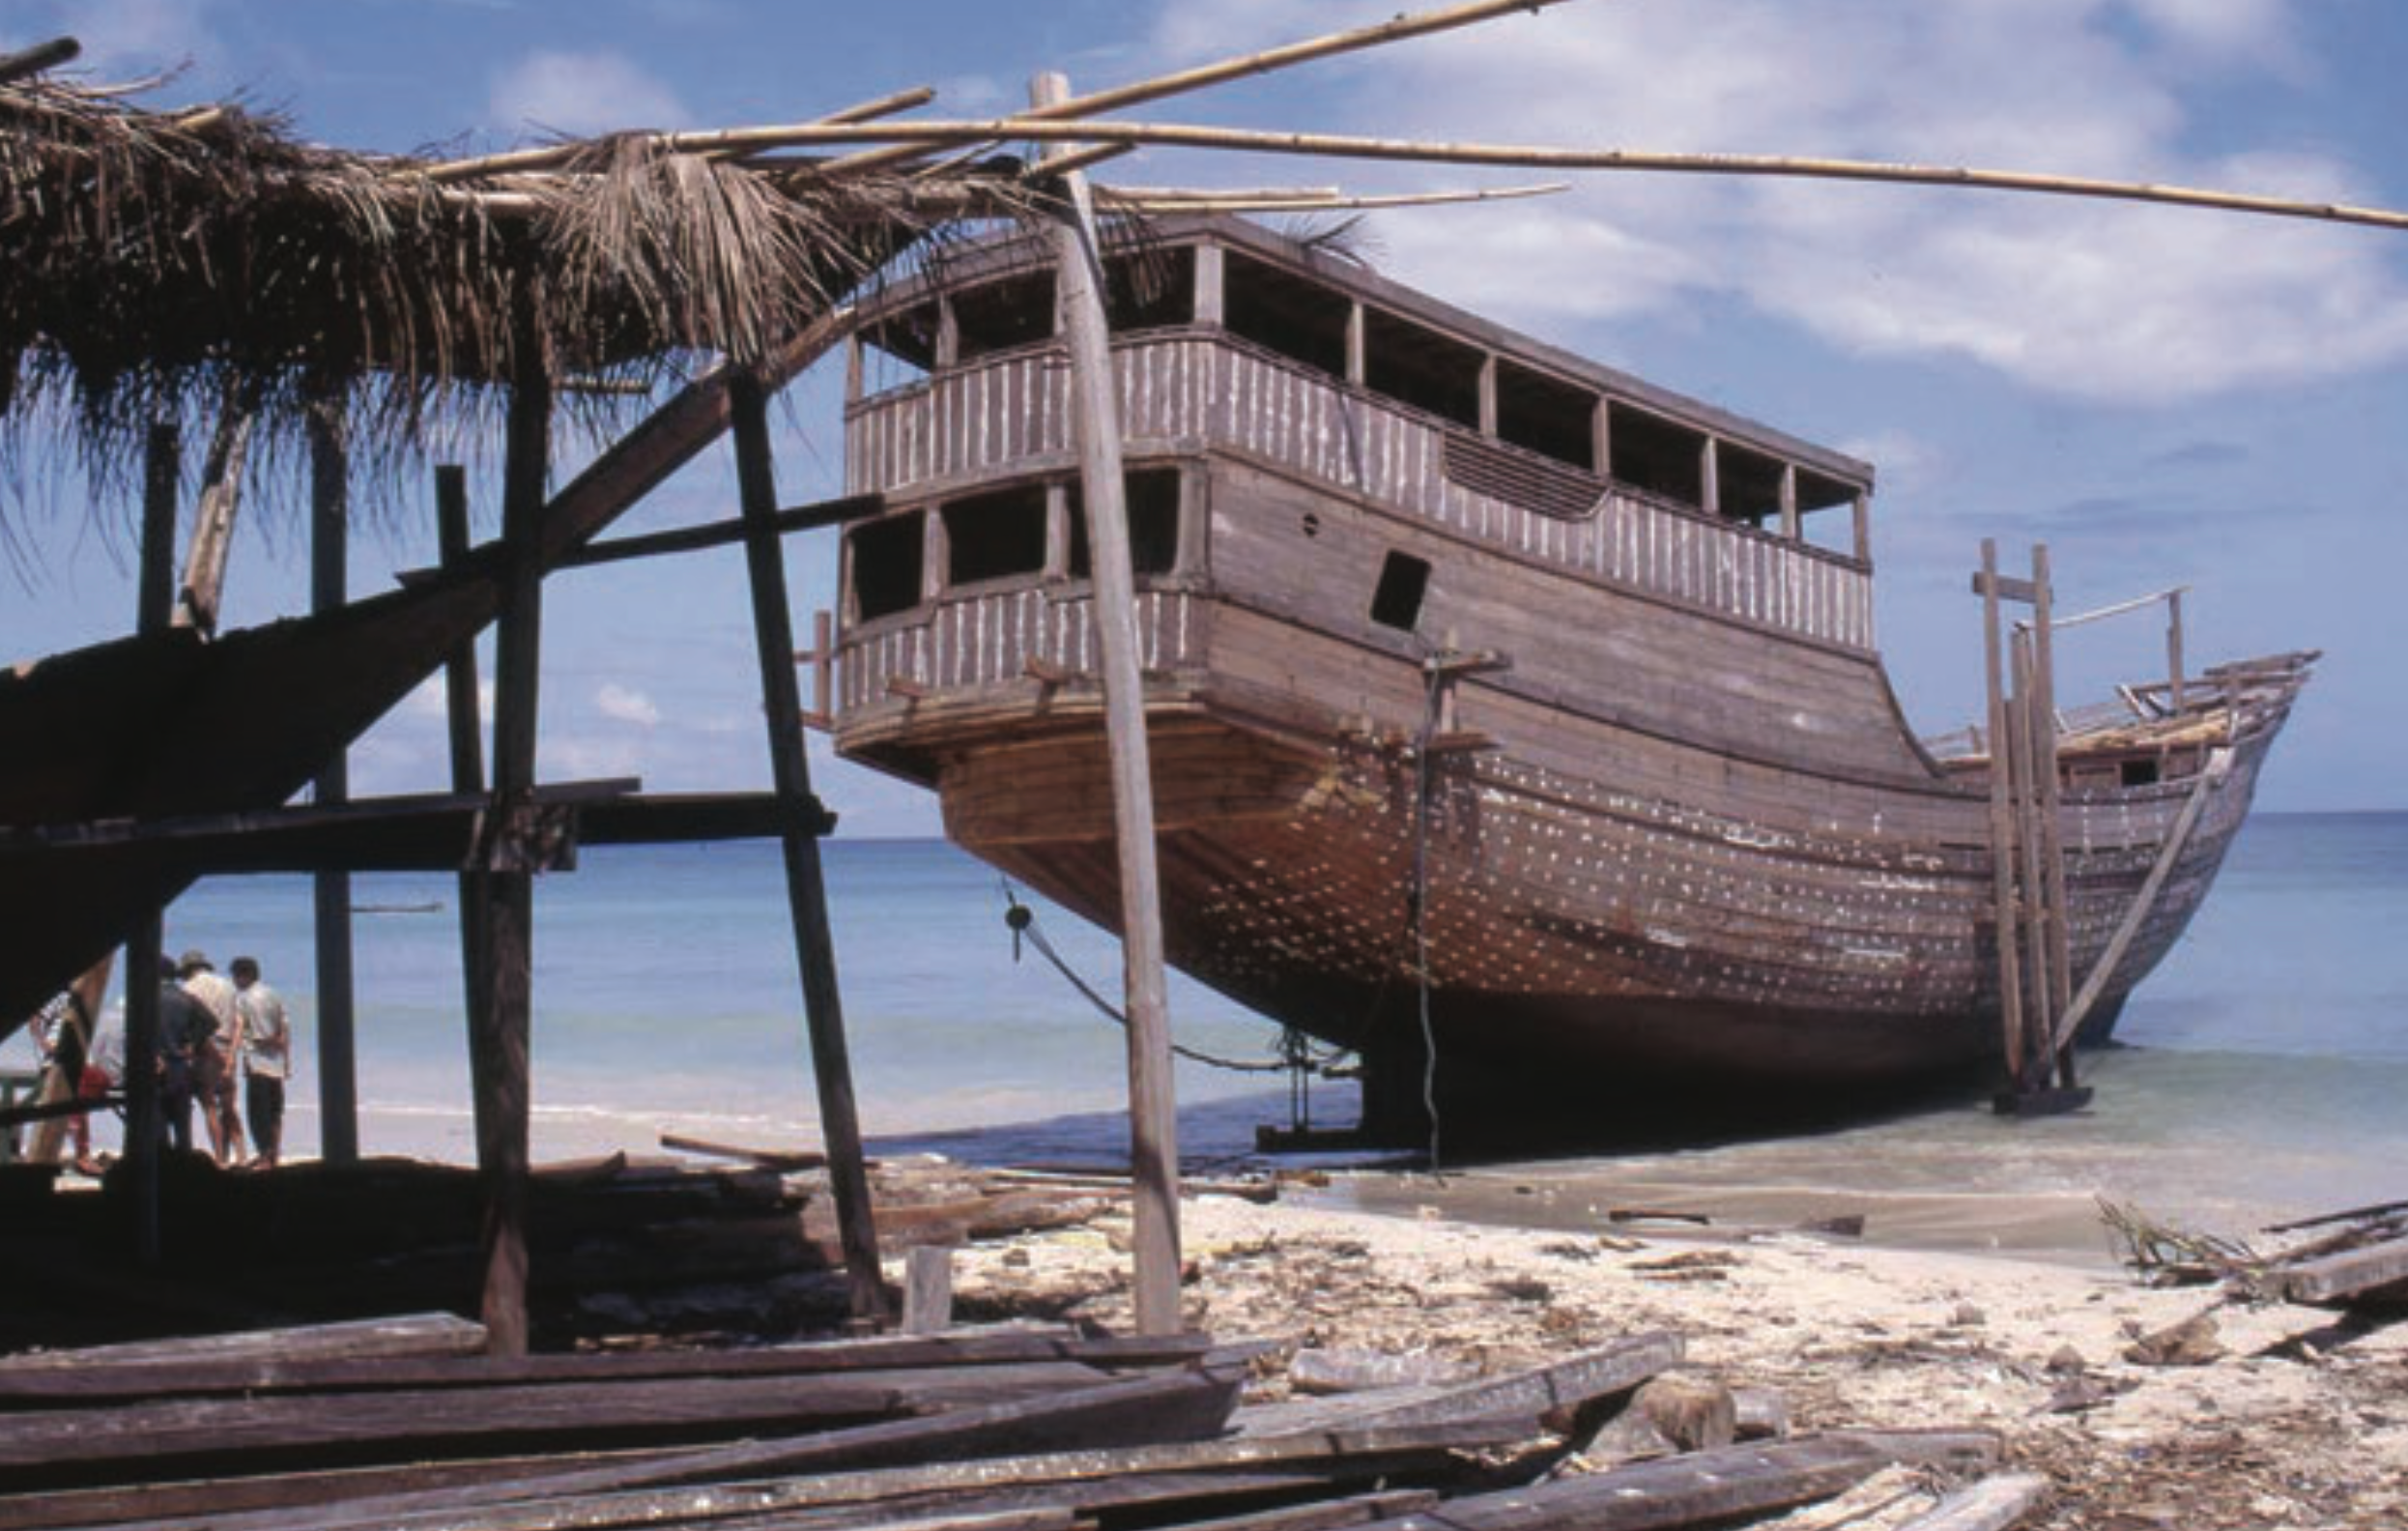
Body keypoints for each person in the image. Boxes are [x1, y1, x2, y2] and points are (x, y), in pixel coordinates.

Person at [179, 950, 246, 1166]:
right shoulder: (228, 986)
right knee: (229, 1105)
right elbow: (239, 1023)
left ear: (188, 970)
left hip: (204, 1050)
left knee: (209, 1107)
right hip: (227, 1047)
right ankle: (241, 1155)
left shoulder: (188, 989)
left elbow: (194, 1027)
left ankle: (219, 1158)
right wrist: (232, 1056)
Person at [229, 957, 290, 1170]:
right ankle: (274, 1155)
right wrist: (287, 1062)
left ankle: (265, 1155)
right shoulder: (274, 995)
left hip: (256, 1062)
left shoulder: (243, 998)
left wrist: (230, 1060)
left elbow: (238, 1029)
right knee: (275, 1112)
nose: (234, 982)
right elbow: (284, 1030)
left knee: (257, 1114)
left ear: (242, 976)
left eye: (235, 977)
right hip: (277, 1064)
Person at [157, 957, 213, 1155]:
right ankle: (185, 1172)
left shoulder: (147, 999)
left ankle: (163, 1172)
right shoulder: (187, 998)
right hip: (181, 1066)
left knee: (159, 1124)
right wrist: (192, 1043)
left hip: (157, 1066)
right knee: (182, 1126)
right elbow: (210, 1022)